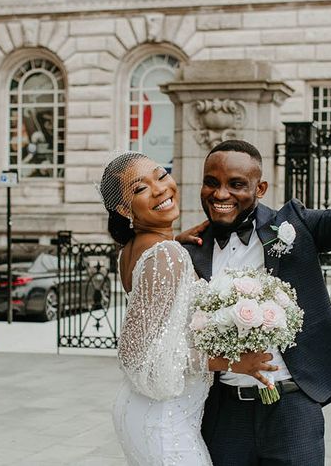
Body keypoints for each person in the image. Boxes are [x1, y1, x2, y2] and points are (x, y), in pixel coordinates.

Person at [179, 96, 331, 465]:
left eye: (236, 184)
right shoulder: (192, 248)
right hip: (222, 414)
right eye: (211, 183)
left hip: (292, 407)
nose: (220, 194)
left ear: (260, 188)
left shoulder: (295, 226)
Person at [101, 151, 278, 466]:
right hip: (163, 419)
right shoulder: (165, 254)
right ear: (124, 208)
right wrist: (233, 363)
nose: (160, 189)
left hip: (149, 413)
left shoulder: (134, 249)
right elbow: (140, 356)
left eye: (161, 175)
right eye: (141, 188)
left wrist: (173, 245)